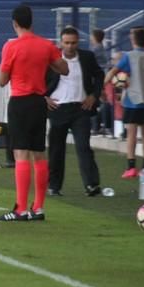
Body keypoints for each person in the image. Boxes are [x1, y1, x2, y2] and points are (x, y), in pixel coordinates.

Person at [0, 5, 68, 222]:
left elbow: (1, 81)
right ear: (31, 22)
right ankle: (38, 207)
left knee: (21, 154)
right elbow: (64, 69)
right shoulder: (46, 45)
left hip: (20, 101)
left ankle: (20, 209)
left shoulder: (11, 47)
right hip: (39, 102)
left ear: (14, 23)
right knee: (39, 153)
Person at [45, 27, 104, 197]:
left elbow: (99, 75)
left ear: (78, 42)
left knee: (83, 147)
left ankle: (91, 185)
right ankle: (54, 186)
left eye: (73, 43)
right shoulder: (51, 59)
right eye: (67, 43)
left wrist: (94, 95)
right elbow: (38, 79)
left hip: (81, 109)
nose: (70, 46)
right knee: (56, 149)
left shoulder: (87, 57)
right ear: (60, 43)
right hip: (58, 109)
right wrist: (44, 98)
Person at [104, 27, 144, 178]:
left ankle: (131, 166)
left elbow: (114, 72)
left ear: (133, 40)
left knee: (132, 133)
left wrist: (105, 83)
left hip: (133, 99)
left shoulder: (129, 56)